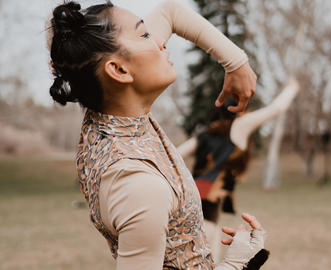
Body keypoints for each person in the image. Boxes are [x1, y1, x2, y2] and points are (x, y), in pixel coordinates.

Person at [46, 0, 266, 269]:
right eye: (144, 34)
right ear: (119, 70)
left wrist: (236, 63)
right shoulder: (138, 184)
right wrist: (237, 263)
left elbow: (171, 12)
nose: (161, 42)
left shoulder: (112, 114)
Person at [178, 79, 299, 261]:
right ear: (237, 110)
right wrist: (292, 88)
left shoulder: (205, 135)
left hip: (188, 201)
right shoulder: (240, 126)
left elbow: (176, 154)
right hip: (207, 208)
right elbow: (276, 109)